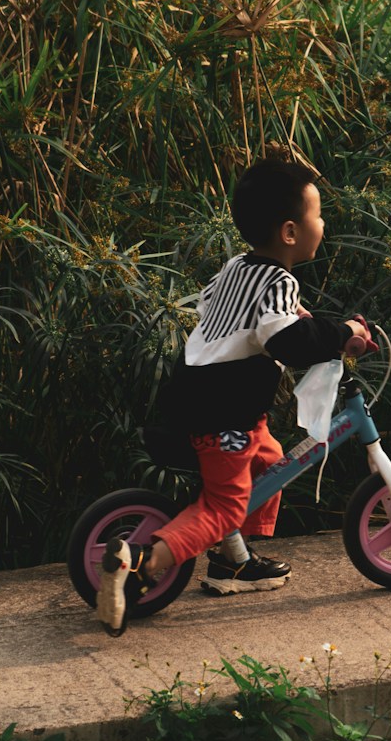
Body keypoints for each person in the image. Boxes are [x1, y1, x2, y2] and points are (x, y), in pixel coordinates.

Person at [97, 158, 372, 635]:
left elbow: (218, 305)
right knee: (225, 505)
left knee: (271, 460)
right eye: (318, 216)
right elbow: (287, 342)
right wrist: (341, 330)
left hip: (208, 395)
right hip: (221, 409)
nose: (323, 224)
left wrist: (295, 316)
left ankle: (234, 563)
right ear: (290, 231)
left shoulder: (238, 266)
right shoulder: (280, 281)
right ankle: (142, 561)